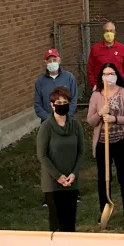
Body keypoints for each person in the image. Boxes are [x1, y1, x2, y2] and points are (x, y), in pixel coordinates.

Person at [87, 63, 124, 221]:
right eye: (105, 74)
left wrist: (114, 119)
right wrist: (100, 114)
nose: (108, 76)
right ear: (101, 77)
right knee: (103, 177)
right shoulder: (96, 95)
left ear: (116, 75)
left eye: (111, 73)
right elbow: (90, 121)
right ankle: (104, 209)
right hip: (103, 144)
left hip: (120, 142)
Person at [37, 86, 85, 232]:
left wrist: (73, 174)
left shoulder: (75, 125)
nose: (62, 105)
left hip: (71, 181)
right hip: (53, 183)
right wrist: (58, 176)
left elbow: (81, 152)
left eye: (65, 102)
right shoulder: (46, 127)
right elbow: (42, 155)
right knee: (56, 222)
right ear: (52, 105)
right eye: (58, 102)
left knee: (70, 222)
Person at [34, 48, 78, 122]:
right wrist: (49, 119)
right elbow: (37, 104)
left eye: (54, 60)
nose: (52, 63)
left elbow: (74, 99)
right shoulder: (40, 81)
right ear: (45, 62)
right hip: (48, 123)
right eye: (49, 61)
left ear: (59, 60)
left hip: (67, 121)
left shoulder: (69, 78)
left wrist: (66, 116)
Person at [87, 21, 124, 89]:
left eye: (111, 31)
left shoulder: (122, 48)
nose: (109, 33)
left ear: (114, 33)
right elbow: (90, 69)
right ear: (103, 33)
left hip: (118, 86)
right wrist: (94, 85)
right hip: (101, 87)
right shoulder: (95, 49)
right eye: (107, 31)